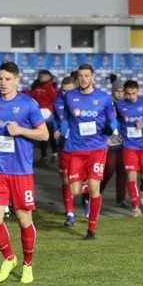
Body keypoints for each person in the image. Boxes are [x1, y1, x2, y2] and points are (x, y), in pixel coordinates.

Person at [0, 61, 49, 283]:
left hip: (20, 171)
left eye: (8, 79)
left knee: (23, 219)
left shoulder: (28, 104)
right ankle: (9, 258)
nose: (3, 83)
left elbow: (44, 135)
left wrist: (20, 130)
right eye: (0, 79)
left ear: (17, 81)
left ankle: (27, 264)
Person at [60, 63, 118, 240]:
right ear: (77, 78)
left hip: (97, 149)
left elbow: (114, 120)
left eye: (86, 75)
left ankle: (91, 230)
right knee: (75, 190)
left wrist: (110, 129)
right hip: (76, 149)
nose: (83, 79)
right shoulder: (70, 96)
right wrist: (63, 135)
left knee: (94, 188)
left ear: (93, 77)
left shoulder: (103, 98)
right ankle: (88, 195)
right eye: (81, 76)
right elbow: (66, 119)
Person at [117, 79, 143, 217]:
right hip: (129, 146)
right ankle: (136, 207)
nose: (130, 97)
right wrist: (118, 133)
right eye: (128, 94)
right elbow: (117, 121)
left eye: (133, 93)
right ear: (124, 92)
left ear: (138, 91)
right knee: (131, 176)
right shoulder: (120, 105)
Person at [53, 76, 79, 226]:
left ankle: (89, 199)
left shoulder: (84, 101)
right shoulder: (58, 102)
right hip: (64, 146)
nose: (65, 93)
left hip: (82, 146)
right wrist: (57, 130)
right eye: (63, 90)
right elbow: (58, 121)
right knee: (66, 180)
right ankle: (70, 214)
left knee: (84, 181)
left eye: (69, 90)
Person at [99, 79, 127, 207]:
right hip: (110, 143)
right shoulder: (108, 103)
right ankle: (95, 193)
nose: (120, 94)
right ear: (113, 91)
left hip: (125, 143)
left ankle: (121, 199)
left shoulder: (127, 104)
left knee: (123, 171)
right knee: (108, 169)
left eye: (122, 91)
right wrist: (107, 135)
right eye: (117, 91)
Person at [26, 69, 59, 164]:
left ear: (48, 76)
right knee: (41, 134)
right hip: (38, 114)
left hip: (48, 115)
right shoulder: (36, 86)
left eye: (43, 75)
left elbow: (55, 101)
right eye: (40, 75)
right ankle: (44, 155)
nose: (41, 77)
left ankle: (55, 153)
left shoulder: (51, 87)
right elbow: (31, 97)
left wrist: (49, 111)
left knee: (51, 134)